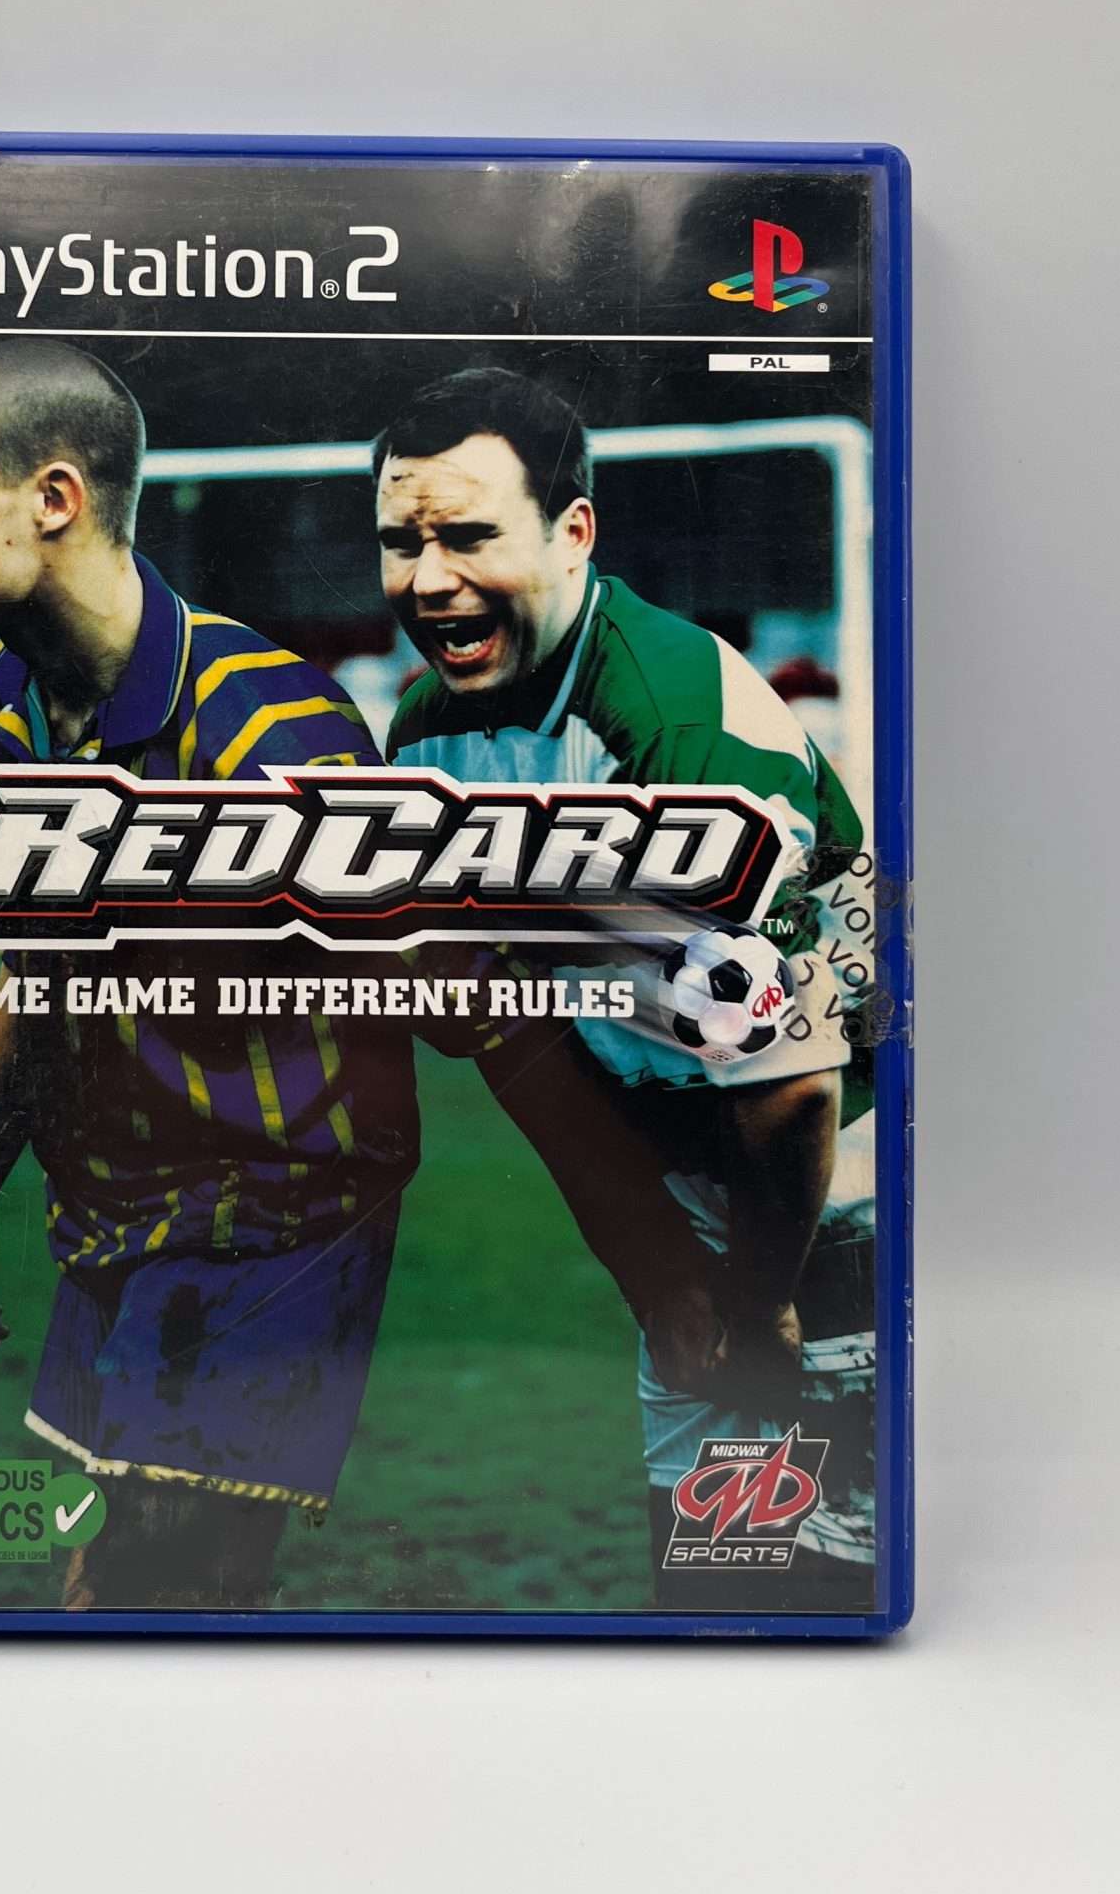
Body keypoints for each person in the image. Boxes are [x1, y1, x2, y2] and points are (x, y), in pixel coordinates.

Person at [0, 341, 721, 1612]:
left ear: (52, 499)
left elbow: (480, 1006)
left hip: (271, 1225)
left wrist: (657, 1269)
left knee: (150, 1586)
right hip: (105, 1216)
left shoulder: (275, 737)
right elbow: (40, 963)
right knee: (98, 1581)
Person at [374, 367, 877, 1605]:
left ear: (573, 532)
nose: (427, 578)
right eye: (400, 541)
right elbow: (505, 1025)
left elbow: (791, 1084)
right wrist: (652, 1263)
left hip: (839, 1197)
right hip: (703, 1188)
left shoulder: (677, 740)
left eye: (468, 535)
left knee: (806, 1604)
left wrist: (755, 1299)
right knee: (717, 1591)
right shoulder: (426, 736)